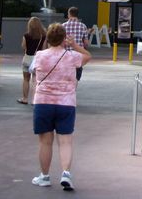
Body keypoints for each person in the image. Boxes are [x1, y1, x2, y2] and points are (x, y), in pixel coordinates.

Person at [29, 22, 91, 190]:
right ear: (64, 38)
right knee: (65, 141)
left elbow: (33, 73)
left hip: (43, 102)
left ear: (48, 38)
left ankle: (44, 176)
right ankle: (66, 174)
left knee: (45, 142)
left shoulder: (39, 56)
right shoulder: (72, 56)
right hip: (66, 103)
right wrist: (74, 45)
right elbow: (88, 56)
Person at [19, 17, 46, 105]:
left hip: (27, 58)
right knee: (35, 80)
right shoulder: (43, 36)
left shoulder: (26, 35)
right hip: (38, 59)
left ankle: (25, 98)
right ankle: (34, 100)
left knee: (26, 79)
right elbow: (44, 48)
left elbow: (23, 47)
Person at [61, 7, 90, 81]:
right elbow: (86, 43)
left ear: (69, 14)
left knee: (66, 78)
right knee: (76, 78)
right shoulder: (83, 26)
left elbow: (60, 42)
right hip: (78, 55)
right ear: (77, 15)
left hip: (66, 55)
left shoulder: (63, 26)